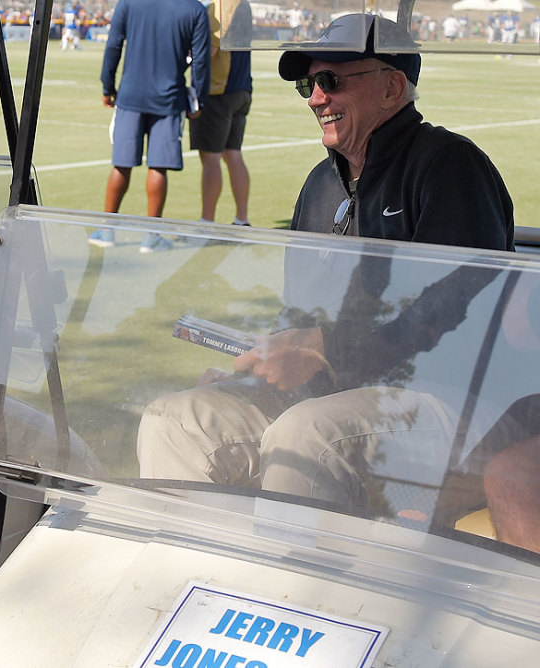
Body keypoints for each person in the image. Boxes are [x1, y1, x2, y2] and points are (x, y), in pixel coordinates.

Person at [136, 14, 513, 510]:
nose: (316, 98)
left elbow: (452, 317)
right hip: (325, 398)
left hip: (441, 401)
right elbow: (299, 316)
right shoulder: (320, 184)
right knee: (176, 420)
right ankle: (198, 581)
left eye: (331, 81)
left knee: (306, 435)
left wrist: (323, 350)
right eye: (308, 84)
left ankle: (287, 587)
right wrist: (264, 365)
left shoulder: (448, 166)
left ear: (392, 86)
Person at [92, 0, 208, 251]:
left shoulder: (129, 3)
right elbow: (200, 61)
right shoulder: (195, 9)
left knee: (121, 164)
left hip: (131, 96)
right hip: (169, 98)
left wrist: (107, 86)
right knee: (158, 166)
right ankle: (150, 236)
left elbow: (113, 46)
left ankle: (106, 231)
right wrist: (198, 98)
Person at [190, 1, 251, 227]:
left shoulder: (219, 6)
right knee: (233, 154)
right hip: (241, 87)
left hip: (218, 90)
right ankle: (242, 219)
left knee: (211, 158)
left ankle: (207, 222)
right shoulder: (242, 4)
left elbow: (211, 49)